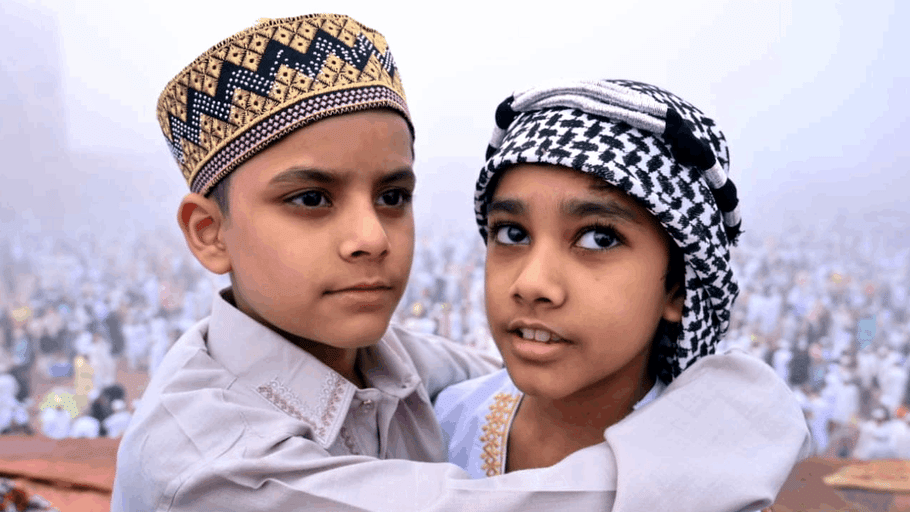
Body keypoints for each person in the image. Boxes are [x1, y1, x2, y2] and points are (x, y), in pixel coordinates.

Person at [111, 16, 807, 511]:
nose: (371, 238)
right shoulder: (205, 466)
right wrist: (740, 420)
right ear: (210, 233)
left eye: (393, 196)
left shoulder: (397, 369)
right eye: (312, 199)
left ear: (681, 280)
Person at [434, 79, 810, 509]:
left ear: (677, 289)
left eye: (599, 239)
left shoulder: (717, 484)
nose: (532, 284)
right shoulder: (441, 426)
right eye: (512, 234)